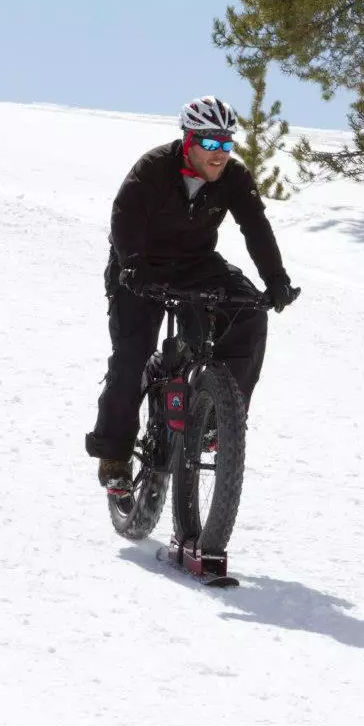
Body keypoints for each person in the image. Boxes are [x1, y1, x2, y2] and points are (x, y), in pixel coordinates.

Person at [85, 95, 300, 490]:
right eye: (210, 143)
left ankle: (221, 417)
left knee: (250, 313)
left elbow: (255, 226)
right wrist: (131, 265)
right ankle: (114, 455)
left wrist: (276, 280)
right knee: (131, 358)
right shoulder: (153, 168)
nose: (220, 153)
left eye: (226, 143)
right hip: (139, 266)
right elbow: (124, 216)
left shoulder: (233, 177)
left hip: (195, 264)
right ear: (188, 140)